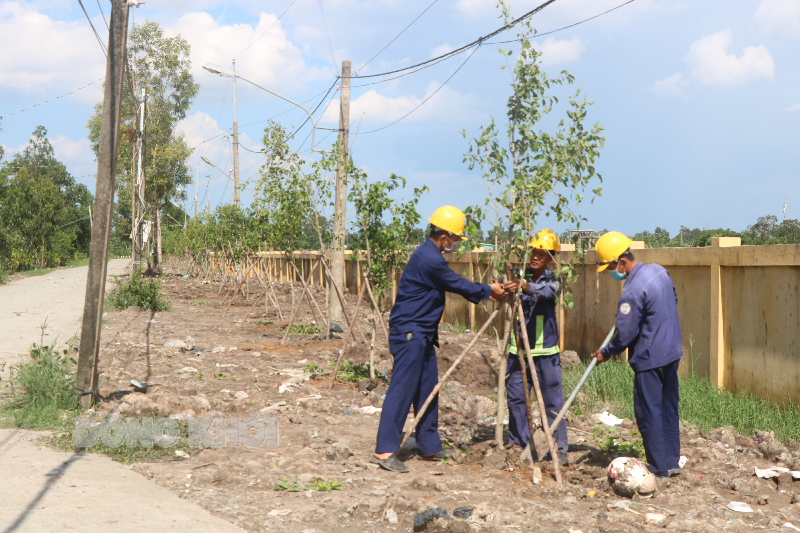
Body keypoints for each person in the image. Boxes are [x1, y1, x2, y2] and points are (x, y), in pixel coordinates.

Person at [371, 206, 505, 473]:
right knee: (402, 391)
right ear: (443, 236)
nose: (455, 243)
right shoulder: (429, 259)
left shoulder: (429, 254)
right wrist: (488, 290)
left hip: (422, 333)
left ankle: (429, 445)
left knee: (428, 389)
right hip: (410, 333)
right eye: (455, 238)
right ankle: (385, 450)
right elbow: (454, 283)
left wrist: (486, 290)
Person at [591, 231, 684, 479]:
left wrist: (606, 352)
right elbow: (669, 302)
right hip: (671, 351)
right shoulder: (659, 272)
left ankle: (659, 468)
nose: (612, 272)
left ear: (621, 261)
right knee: (667, 408)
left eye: (611, 266)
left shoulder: (631, 292)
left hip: (650, 359)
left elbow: (625, 335)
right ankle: (672, 462)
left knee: (649, 413)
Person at [502, 229, 569, 466]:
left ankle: (558, 448)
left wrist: (526, 287)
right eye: (534, 251)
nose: (536, 256)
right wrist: (502, 288)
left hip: (545, 353)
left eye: (542, 253)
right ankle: (518, 443)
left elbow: (548, 292)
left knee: (552, 403)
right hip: (518, 351)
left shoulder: (555, 279)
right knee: (517, 399)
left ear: (551, 256)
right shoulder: (519, 273)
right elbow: (506, 291)